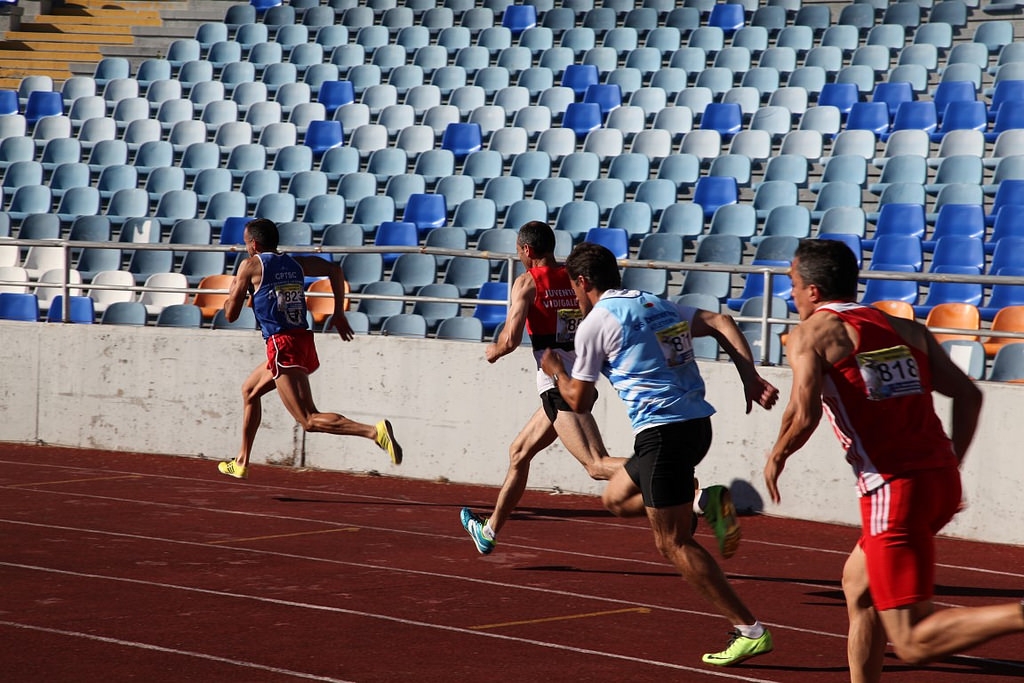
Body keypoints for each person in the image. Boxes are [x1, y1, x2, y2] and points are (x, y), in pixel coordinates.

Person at [764, 239, 1024, 683]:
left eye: (791, 283)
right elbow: (969, 394)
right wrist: (950, 462)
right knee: (858, 587)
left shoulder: (812, 333)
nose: (790, 293)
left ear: (812, 290)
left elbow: (803, 413)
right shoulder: (905, 328)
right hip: (940, 482)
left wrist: (777, 455)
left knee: (912, 642)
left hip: (893, 489)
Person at [540, 242, 779, 667]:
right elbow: (722, 321)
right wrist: (749, 376)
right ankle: (702, 500)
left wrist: (556, 370)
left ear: (583, 281)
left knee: (672, 542)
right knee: (615, 499)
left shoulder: (596, 323)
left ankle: (750, 631)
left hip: (663, 433)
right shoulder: (656, 304)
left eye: (574, 288)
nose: (575, 297)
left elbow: (579, 402)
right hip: (696, 426)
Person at [459, 222, 739, 558]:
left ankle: (692, 496)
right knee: (519, 452)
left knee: (595, 464)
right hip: (581, 379)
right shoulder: (573, 277)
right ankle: (489, 531)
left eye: (518, 251)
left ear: (527, 250)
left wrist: (493, 352)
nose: (519, 256)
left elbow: (509, 340)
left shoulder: (527, 282)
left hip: (560, 386)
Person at [217, 218, 402, 480]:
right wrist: (339, 313)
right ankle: (241, 461)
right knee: (250, 391)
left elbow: (231, 315)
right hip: (301, 341)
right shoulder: (295, 263)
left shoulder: (250, 266)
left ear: (254, 244)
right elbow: (335, 270)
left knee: (308, 420)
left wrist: (233, 293)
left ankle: (374, 432)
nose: (245, 248)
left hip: (282, 345)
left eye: (245, 243)